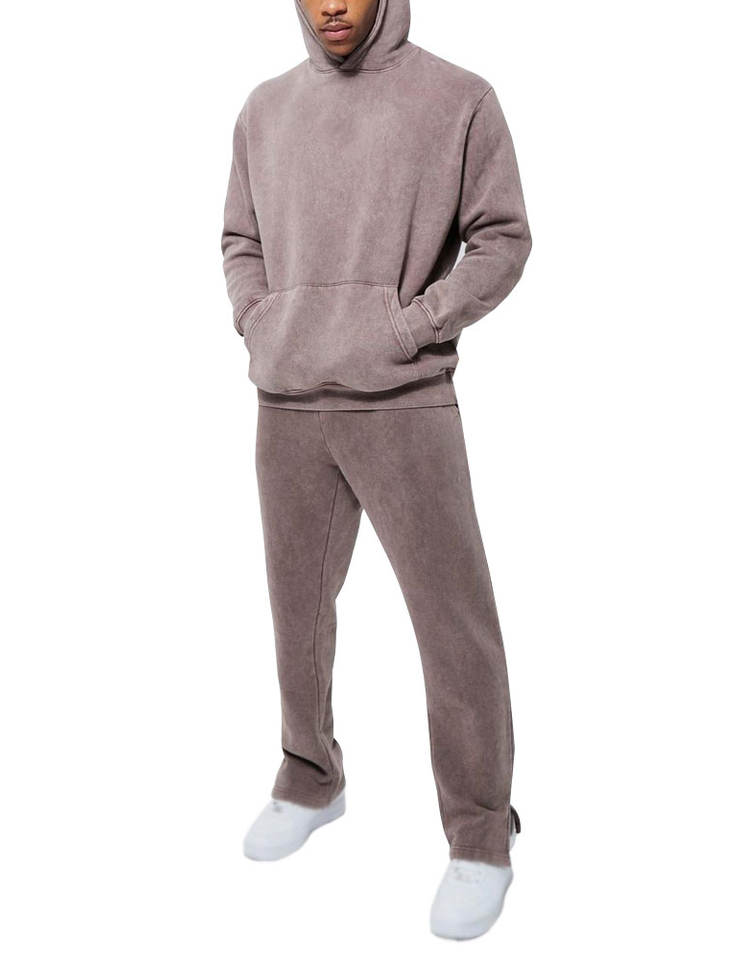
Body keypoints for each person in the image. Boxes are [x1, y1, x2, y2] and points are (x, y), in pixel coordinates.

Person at [221, 0, 532, 940]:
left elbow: (503, 237)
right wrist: (260, 321)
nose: (332, 6)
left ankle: (480, 835)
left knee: (453, 622)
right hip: (288, 402)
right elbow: (241, 240)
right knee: (297, 611)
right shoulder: (264, 109)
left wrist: (413, 326)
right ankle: (309, 777)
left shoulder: (457, 99)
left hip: (403, 402)